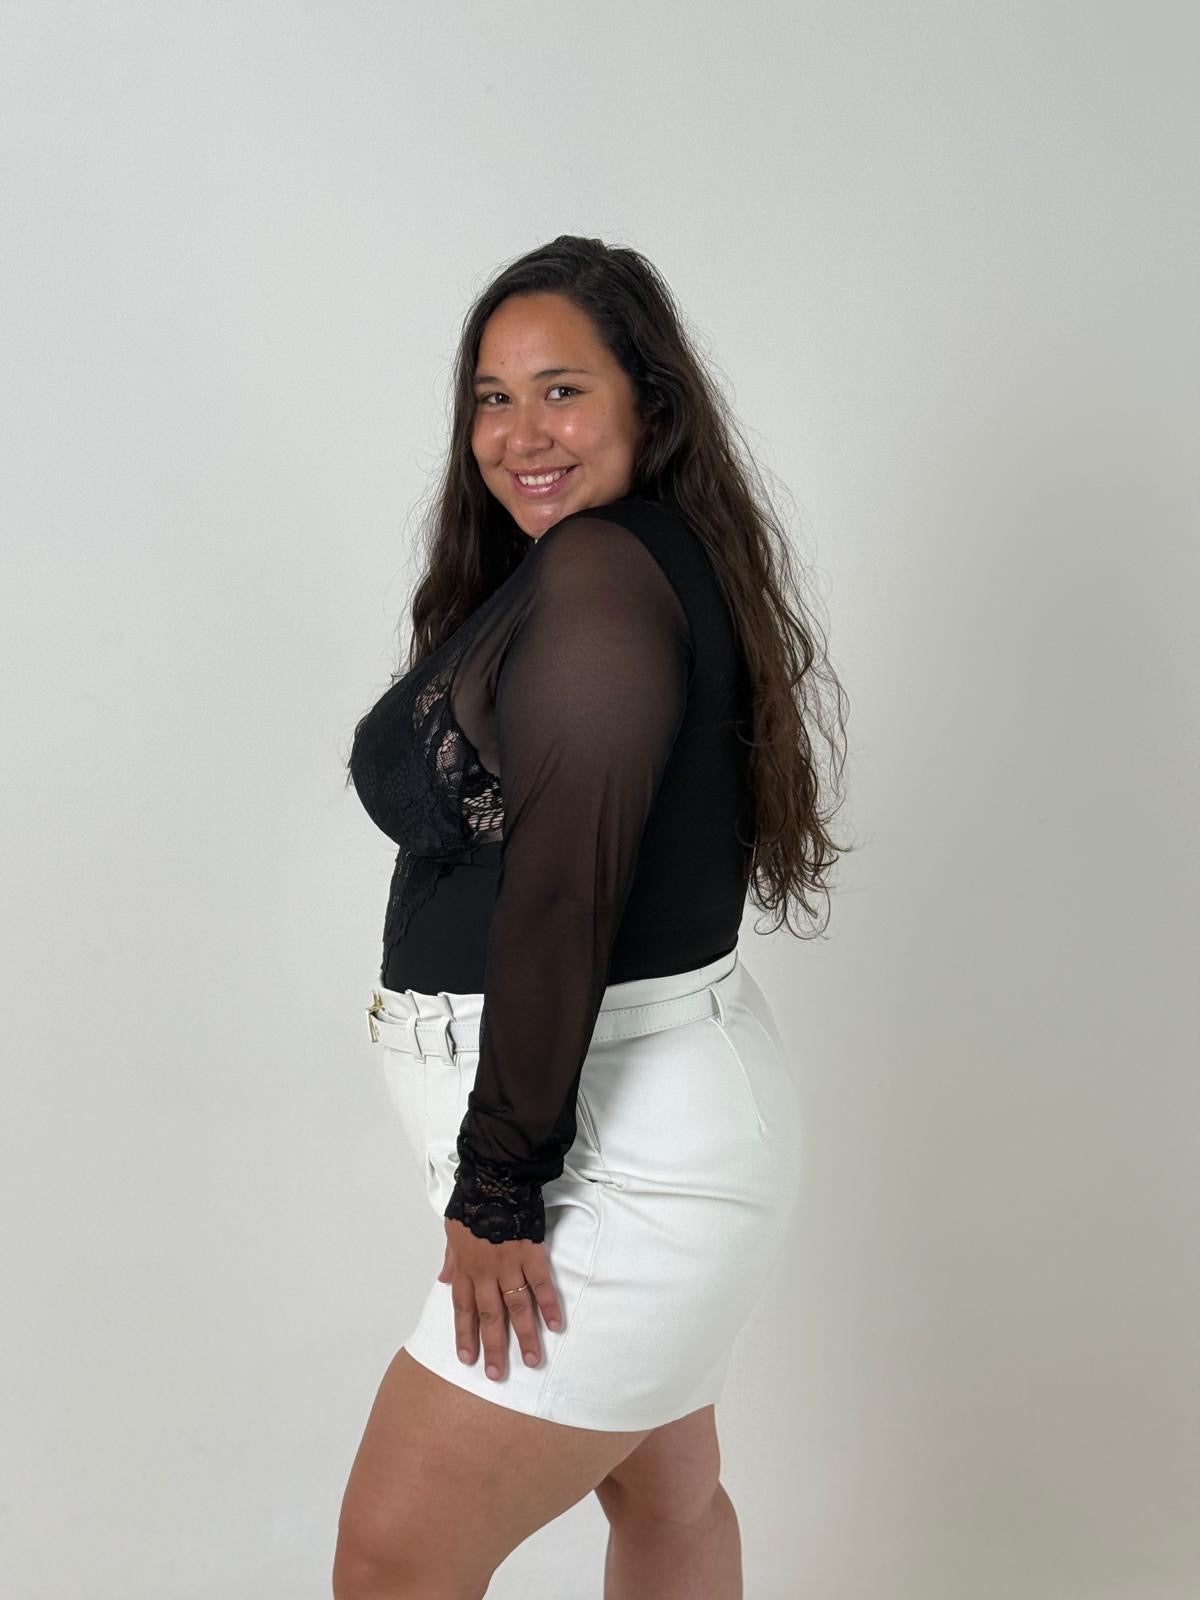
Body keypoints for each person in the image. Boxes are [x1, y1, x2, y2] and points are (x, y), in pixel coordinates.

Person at [335, 236, 849, 1600]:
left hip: (607, 1155)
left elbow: (568, 893)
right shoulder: (608, 563)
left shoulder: (609, 573)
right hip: (633, 1106)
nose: (521, 435)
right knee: (667, 1503)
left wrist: (500, 1190)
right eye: (492, 399)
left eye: (562, 391)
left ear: (649, 405)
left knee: (392, 1566)